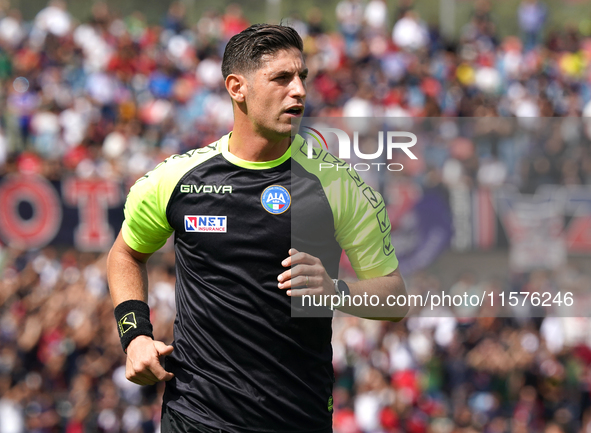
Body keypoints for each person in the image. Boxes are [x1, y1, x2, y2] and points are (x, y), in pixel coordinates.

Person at [107, 24, 407, 433]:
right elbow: (125, 254)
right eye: (282, 78)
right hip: (196, 416)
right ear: (237, 87)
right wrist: (135, 335)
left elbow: (393, 298)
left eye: (302, 77)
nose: (299, 90)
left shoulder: (339, 184)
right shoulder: (175, 179)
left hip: (298, 418)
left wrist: (335, 290)